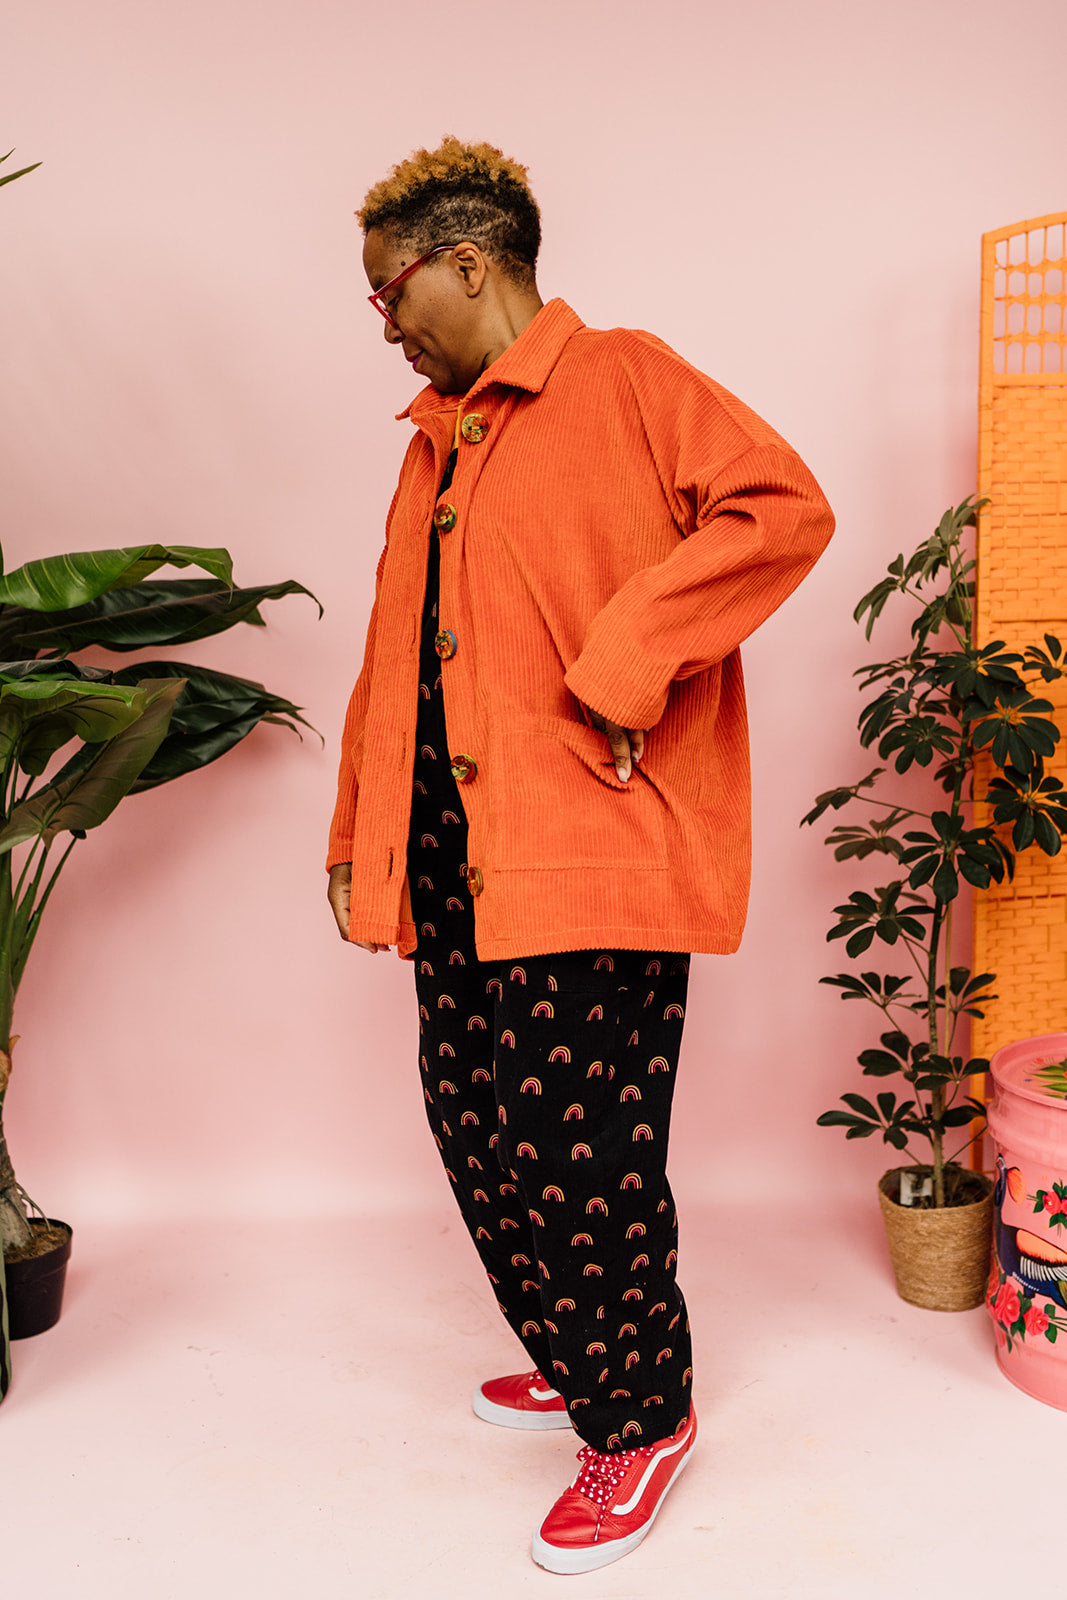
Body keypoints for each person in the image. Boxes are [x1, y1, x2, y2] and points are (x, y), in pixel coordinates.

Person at [326, 136, 833, 1576]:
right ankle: (578, 1354)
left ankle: (641, 1415)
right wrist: (358, 832)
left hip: (587, 845)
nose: (383, 321)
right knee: (472, 1125)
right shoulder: (434, 442)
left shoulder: (624, 379)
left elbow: (783, 509)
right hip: (451, 855)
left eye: (388, 290)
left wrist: (627, 661)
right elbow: (392, 657)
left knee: (577, 1150)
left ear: (467, 262)